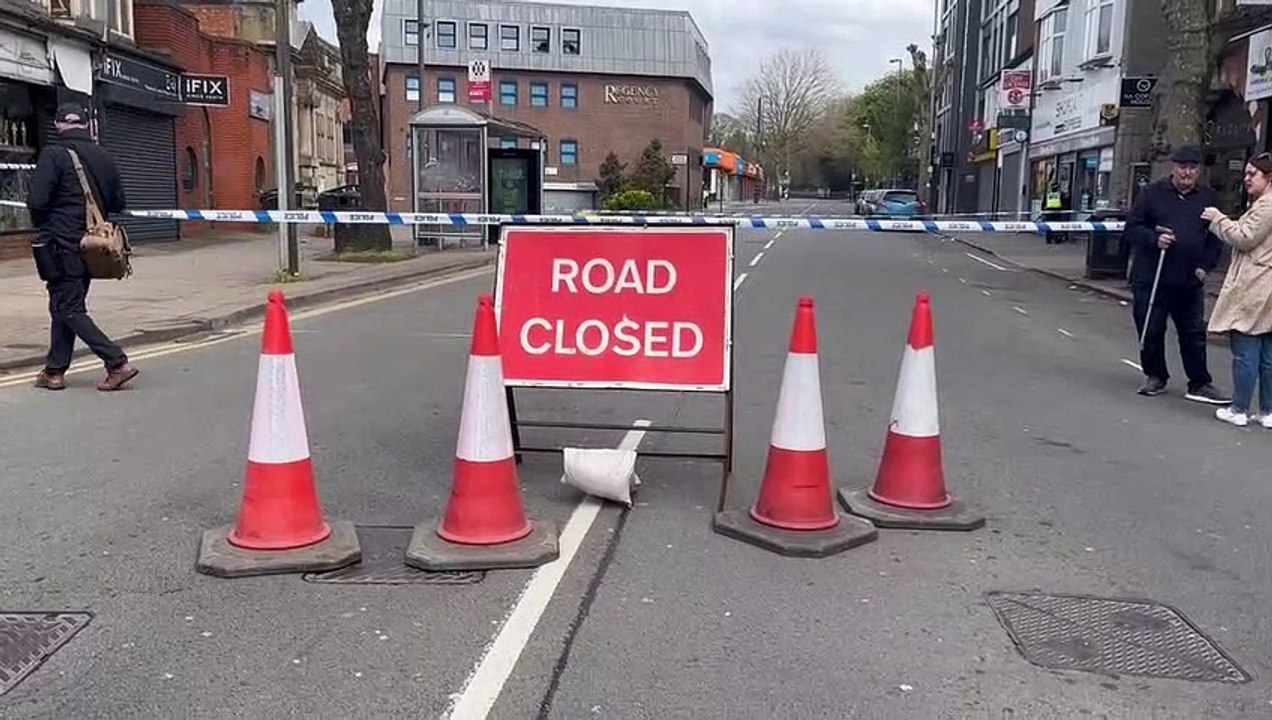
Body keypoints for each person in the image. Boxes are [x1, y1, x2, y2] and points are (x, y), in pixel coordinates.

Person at [26, 102, 137, 392]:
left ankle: (116, 362)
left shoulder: (53, 154)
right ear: (86, 124)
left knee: (68, 306)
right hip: (92, 246)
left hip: (60, 243)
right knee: (65, 305)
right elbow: (118, 204)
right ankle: (54, 372)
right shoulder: (103, 155)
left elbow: (37, 201)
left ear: (60, 125)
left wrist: (46, 223)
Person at [1124, 145, 1230, 405]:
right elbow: (1132, 229)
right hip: (1152, 276)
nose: (1187, 173)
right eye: (1182, 167)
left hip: (1188, 279)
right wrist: (1154, 239)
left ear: (1199, 171)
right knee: (1151, 329)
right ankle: (1155, 375)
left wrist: (1205, 266)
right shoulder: (1151, 194)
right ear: (1174, 168)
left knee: (1193, 332)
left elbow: (1216, 239)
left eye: (1192, 168)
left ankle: (1200, 382)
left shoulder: (1209, 198)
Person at [1200, 153, 1272, 428]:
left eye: (1253, 174)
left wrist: (1217, 219)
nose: (1246, 179)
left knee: (1245, 346)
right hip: (1266, 283)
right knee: (1266, 352)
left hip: (1256, 285)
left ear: (1269, 177)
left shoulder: (1266, 207)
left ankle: (1239, 409)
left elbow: (1244, 238)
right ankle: (1267, 411)